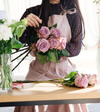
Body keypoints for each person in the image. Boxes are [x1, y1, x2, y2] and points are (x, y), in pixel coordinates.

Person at [14, 0, 88, 112]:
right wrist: (22, 24)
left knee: (68, 101)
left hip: (64, 73)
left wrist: (53, 45)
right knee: (32, 100)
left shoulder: (73, 14)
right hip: (37, 72)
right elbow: (17, 43)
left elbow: (76, 48)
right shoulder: (33, 13)